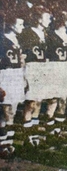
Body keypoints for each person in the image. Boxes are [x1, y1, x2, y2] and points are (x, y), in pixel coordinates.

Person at [0, 14, 25, 152]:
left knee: (12, 111)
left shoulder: (16, 39)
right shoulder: (2, 40)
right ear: (11, 25)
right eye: (19, 24)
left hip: (15, 75)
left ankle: (8, 141)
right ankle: (3, 144)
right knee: (6, 111)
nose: (22, 27)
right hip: (5, 75)